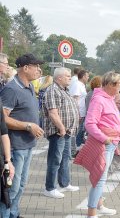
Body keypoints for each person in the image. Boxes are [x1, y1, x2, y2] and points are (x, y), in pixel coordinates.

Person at [74, 71, 120, 217]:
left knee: (103, 177)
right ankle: (92, 212)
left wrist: (118, 132)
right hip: (104, 144)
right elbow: (90, 124)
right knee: (100, 178)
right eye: (119, 84)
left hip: (111, 142)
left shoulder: (109, 97)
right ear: (110, 85)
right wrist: (105, 138)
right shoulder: (99, 99)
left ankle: (99, 205)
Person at [0, 53, 45, 218]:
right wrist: (28, 126)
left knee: (21, 185)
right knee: (10, 189)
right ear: (25, 68)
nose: (39, 70)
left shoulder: (30, 86)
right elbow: (2, 118)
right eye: (36, 66)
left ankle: (14, 213)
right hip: (15, 146)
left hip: (27, 145)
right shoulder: (11, 89)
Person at [42, 67, 80, 199]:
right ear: (59, 78)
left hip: (67, 131)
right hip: (58, 132)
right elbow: (53, 112)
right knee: (55, 160)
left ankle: (64, 183)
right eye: (68, 76)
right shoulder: (53, 90)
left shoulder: (64, 90)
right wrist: (61, 128)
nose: (70, 78)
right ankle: (49, 188)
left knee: (65, 158)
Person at [70, 70, 89, 150]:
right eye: (87, 76)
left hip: (82, 112)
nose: (88, 78)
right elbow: (75, 99)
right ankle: (75, 148)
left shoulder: (82, 85)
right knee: (78, 131)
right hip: (79, 112)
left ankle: (78, 147)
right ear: (84, 76)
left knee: (80, 131)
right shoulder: (77, 84)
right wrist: (77, 113)